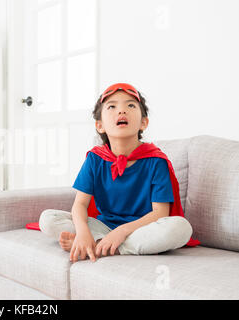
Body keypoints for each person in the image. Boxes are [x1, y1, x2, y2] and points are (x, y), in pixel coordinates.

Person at [38, 83, 196, 263]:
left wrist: (121, 232)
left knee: (180, 228)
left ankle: (101, 247)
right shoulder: (95, 159)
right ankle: (93, 241)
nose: (121, 111)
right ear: (100, 125)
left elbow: (160, 213)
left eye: (130, 105)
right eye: (112, 106)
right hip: (102, 226)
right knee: (48, 218)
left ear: (143, 123)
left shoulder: (156, 161)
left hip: (141, 229)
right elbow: (80, 205)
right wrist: (82, 233)